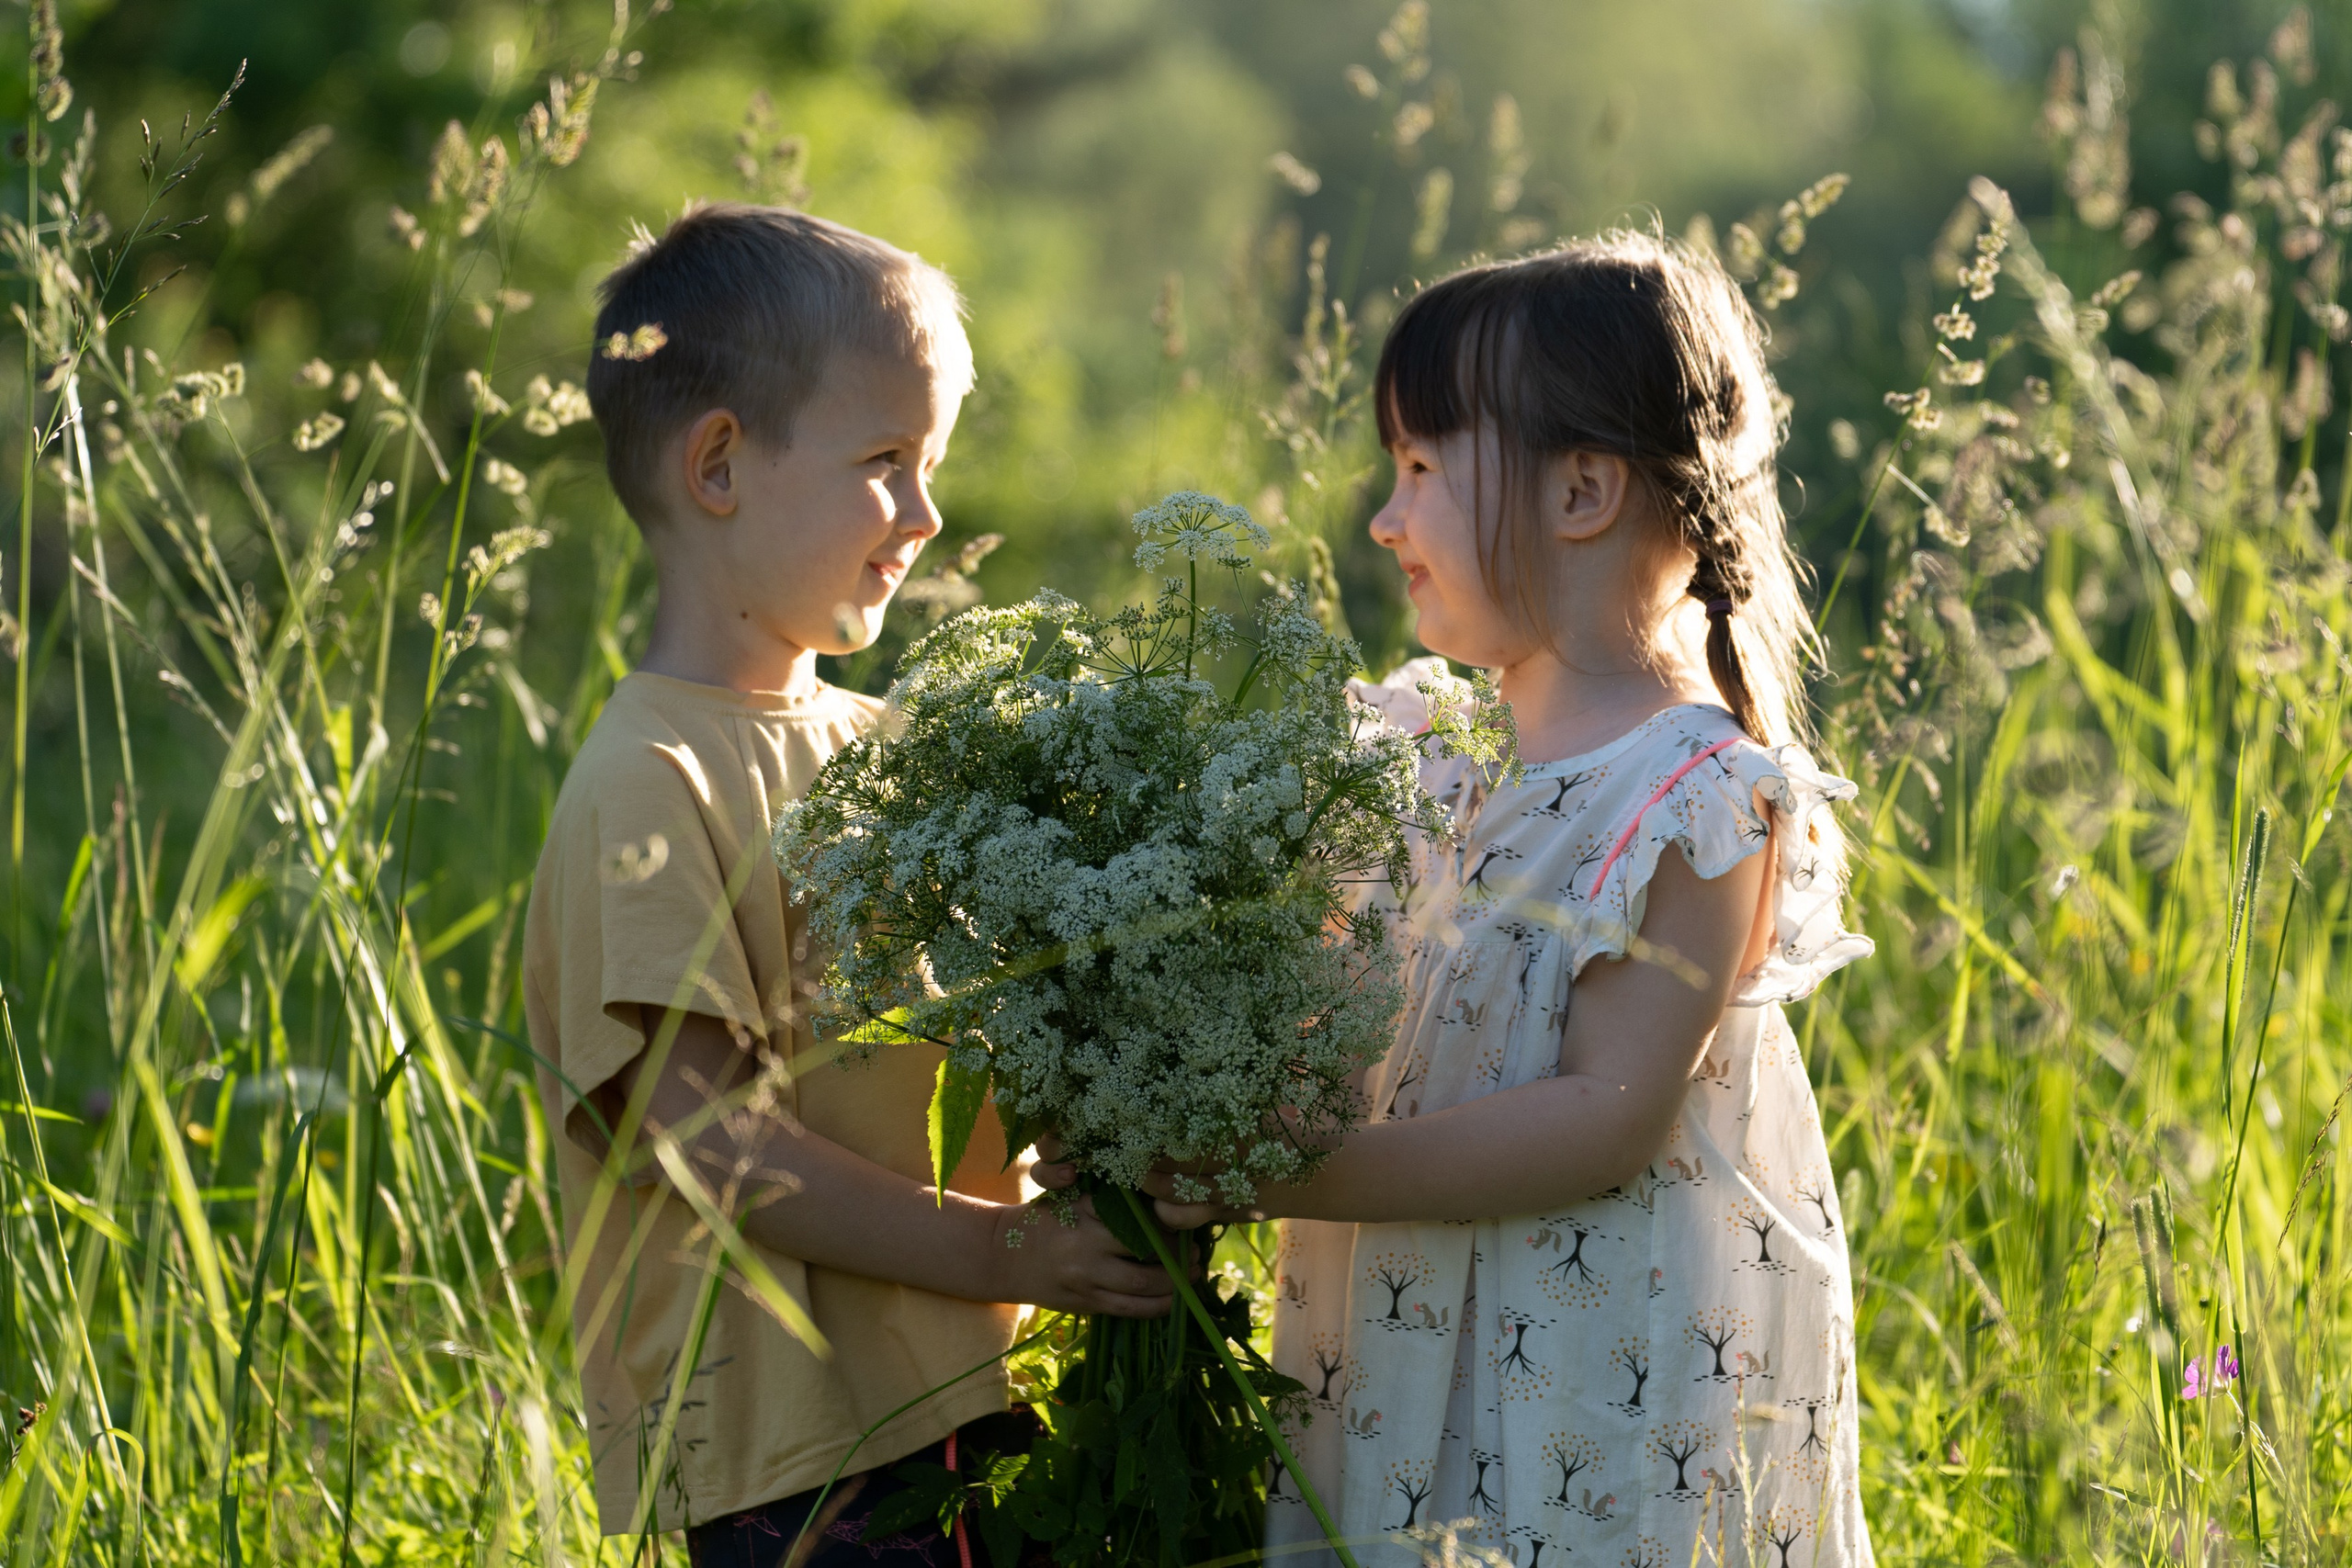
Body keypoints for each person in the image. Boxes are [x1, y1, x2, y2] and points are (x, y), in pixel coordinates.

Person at [1119, 233, 1876, 1562]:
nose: (1384, 516)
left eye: (1421, 468)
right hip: (1393, 1359)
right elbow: (1326, 1016)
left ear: (1582, 488)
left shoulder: (1694, 796)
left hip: (1584, 1394)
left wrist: (1281, 1175)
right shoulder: (1424, 761)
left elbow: (1603, 1118)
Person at [522, 203, 1173, 1566]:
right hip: (799, 1464)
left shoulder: (892, 747)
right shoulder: (649, 779)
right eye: (888, 462)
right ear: (719, 465)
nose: (928, 516)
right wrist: (1001, 1254)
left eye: (932, 466)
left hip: (983, 1397)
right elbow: (702, 1147)